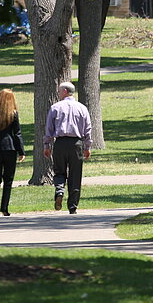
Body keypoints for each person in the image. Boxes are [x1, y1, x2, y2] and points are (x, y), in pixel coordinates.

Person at [43, 81, 92, 214]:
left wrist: (47, 145)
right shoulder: (82, 108)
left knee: (59, 171)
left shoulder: (55, 108)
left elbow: (49, 129)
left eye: (59, 91)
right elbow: (88, 129)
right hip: (76, 144)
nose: (58, 94)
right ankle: (73, 206)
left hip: (60, 143)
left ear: (65, 91)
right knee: (75, 175)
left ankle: (59, 190)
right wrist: (87, 146)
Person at [0, 89, 26, 216]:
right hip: (9, 148)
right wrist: (21, 151)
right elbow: (17, 134)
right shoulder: (13, 114)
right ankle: (5, 208)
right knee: (8, 179)